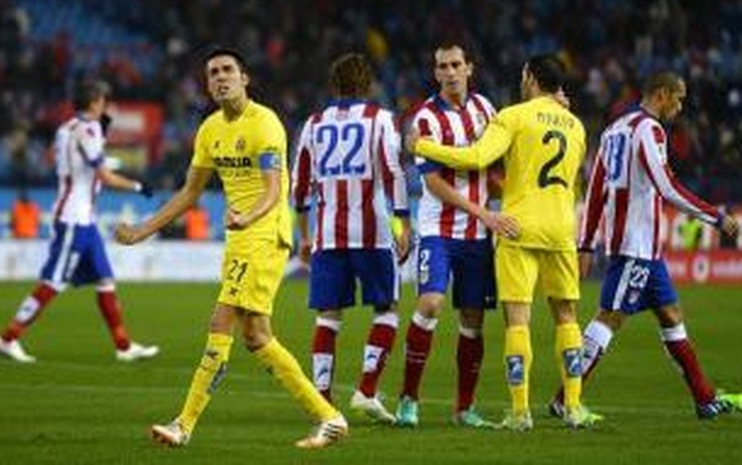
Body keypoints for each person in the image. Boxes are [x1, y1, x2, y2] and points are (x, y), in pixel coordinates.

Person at [114, 47, 348, 449]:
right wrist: (143, 230)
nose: (220, 78)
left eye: (227, 70)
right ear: (207, 85)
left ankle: (183, 424)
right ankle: (329, 417)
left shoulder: (265, 123)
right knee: (257, 336)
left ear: (244, 78)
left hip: (264, 231)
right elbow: (190, 192)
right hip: (240, 236)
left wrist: (248, 216)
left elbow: (275, 189)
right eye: (213, 73)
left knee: (220, 322)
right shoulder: (209, 130)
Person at [407, 53, 598, 430]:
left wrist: (422, 147)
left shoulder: (512, 115)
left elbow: (477, 156)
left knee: (517, 319)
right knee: (566, 316)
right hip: (561, 226)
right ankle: (574, 406)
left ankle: (520, 412)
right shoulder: (576, 126)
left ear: (529, 77)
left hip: (518, 226)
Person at [549, 71, 742, 419]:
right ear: (662, 94)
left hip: (646, 250)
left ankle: (704, 399)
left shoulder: (613, 130)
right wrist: (716, 216)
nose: (680, 107)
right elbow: (667, 188)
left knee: (671, 316)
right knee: (608, 319)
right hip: (634, 245)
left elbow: (595, 191)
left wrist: (588, 243)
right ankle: (565, 399)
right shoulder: (649, 130)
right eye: (678, 98)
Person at [395, 42, 519, 429]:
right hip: (439, 230)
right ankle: (408, 400)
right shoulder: (426, 120)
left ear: (469, 68)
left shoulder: (487, 111)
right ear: (435, 73)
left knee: (473, 320)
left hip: (478, 235)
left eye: (455, 65)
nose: (449, 72)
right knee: (430, 303)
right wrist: (485, 212)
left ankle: (464, 408)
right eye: (442, 66)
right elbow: (432, 183)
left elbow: (499, 163)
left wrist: (504, 197)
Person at [0, 80, 158, 363]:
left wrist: (102, 137)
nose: (105, 105)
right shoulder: (89, 129)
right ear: (95, 102)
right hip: (73, 218)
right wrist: (137, 186)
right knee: (53, 282)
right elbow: (104, 176)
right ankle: (8, 337)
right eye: (103, 101)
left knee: (105, 281)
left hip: (85, 219)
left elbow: (81, 160)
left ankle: (123, 346)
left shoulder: (66, 128)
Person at [291, 52, 411, 424]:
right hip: (372, 232)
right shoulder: (380, 120)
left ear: (334, 85)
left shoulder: (313, 124)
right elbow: (393, 172)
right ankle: (367, 391)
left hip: (327, 235)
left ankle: (322, 402)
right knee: (386, 310)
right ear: (368, 85)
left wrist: (306, 237)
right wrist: (403, 222)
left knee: (329, 316)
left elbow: (299, 188)